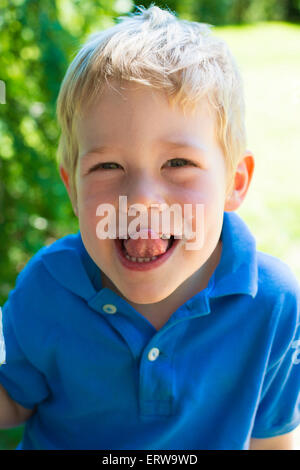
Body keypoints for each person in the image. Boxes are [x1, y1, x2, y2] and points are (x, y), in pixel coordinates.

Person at [0, 5, 299, 450]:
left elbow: (271, 442)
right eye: (107, 166)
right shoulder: (49, 285)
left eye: (178, 163)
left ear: (234, 183)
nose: (139, 199)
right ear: (73, 189)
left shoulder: (272, 304)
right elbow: (12, 401)